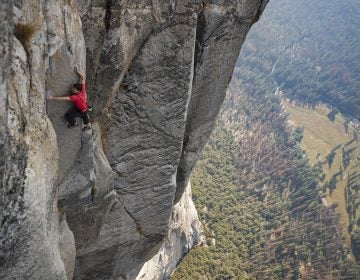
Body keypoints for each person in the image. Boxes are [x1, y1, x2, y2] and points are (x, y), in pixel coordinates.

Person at [48, 66, 91, 131]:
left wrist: (52, 98)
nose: (72, 89)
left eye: (74, 89)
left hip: (82, 110)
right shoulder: (82, 90)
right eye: (73, 88)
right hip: (83, 107)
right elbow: (82, 78)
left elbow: (63, 99)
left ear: (78, 91)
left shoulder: (75, 97)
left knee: (69, 115)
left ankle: (74, 123)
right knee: (85, 116)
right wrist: (77, 72)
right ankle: (87, 125)